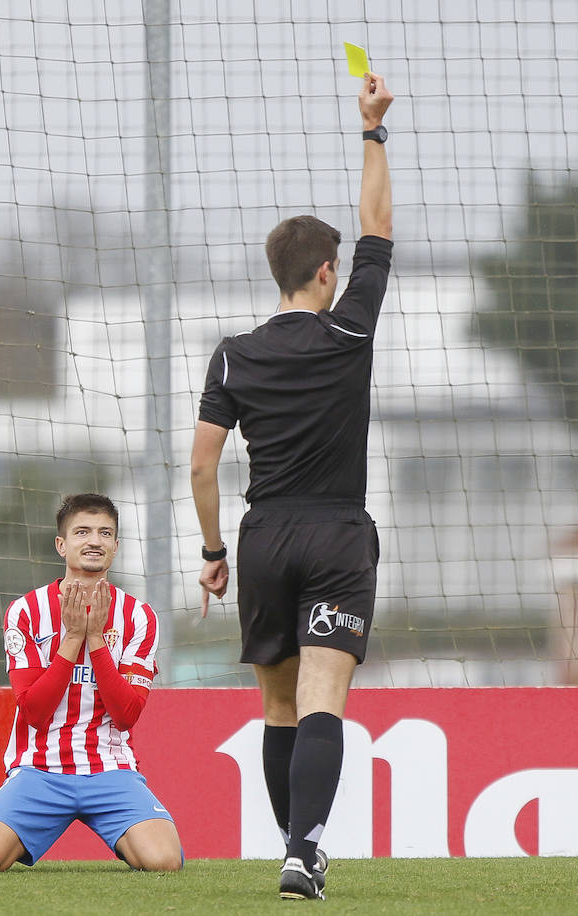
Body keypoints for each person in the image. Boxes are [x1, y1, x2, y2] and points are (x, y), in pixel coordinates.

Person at [189, 72, 394, 901]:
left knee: (278, 704)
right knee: (324, 696)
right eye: (338, 269)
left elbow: (201, 464)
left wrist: (212, 551)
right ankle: (304, 850)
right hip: (338, 533)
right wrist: (373, 130)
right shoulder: (349, 330)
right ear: (322, 272)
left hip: (263, 534)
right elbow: (380, 226)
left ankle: (293, 848)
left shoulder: (234, 351)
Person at [0, 493, 183, 873]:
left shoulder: (139, 616)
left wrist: (96, 639)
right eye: (82, 532)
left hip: (109, 767)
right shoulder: (26, 610)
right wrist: (73, 638)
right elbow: (33, 711)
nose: (94, 541)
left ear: (115, 546)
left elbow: (127, 716)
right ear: (62, 545)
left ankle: (127, 829)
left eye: (104, 533)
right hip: (39, 768)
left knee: (164, 861)